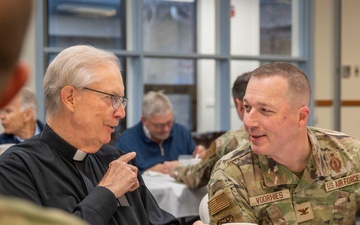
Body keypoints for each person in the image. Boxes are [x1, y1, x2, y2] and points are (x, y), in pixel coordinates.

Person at [0, 45, 180, 225]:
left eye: (121, 101)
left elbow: (157, 221)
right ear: (70, 98)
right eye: (112, 98)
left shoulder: (116, 160)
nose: (121, 113)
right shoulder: (16, 168)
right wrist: (107, 192)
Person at [195, 62, 360, 225]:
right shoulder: (232, 174)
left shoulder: (350, 155)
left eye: (265, 110)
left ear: (301, 116)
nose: (249, 122)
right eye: (247, 107)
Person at [0, 0, 88, 224]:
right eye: (110, 99)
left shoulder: (109, 156)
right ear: (15, 84)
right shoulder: (12, 163)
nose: (119, 113)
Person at [170, 72, 251, 189]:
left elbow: (196, 176)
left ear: (240, 105)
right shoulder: (284, 135)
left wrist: (174, 168)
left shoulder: (230, 141)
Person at [114, 90, 204, 174]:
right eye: (159, 125)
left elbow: (196, 168)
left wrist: (201, 158)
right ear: (144, 120)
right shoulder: (126, 142)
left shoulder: (182, 133)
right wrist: (148, 172)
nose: (166, 129)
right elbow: (119, 178)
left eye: (169, 122)